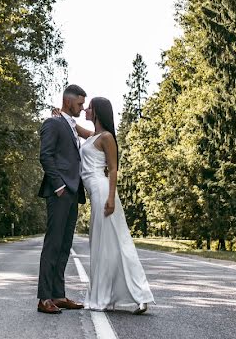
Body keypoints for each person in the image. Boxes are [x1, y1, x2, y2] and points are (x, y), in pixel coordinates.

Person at [69, 96, 154, 314]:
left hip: (103, 192)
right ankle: (106, 295)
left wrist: (111, 198)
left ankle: (140, 295)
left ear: (97, 112)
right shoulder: (93, 136)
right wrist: (64, 116)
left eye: (89, 108)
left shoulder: (106, 137)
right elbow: (78, 129)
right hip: (96, 192)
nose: (86, 110)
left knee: (116, 244)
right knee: (101, 246)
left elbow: (114, 169)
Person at [36, 84, 88, 314]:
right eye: (80, 103)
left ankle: (58, 295)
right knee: (53, 244)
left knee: (65, 245)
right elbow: (45, 156)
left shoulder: (72, 126)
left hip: (73, 193)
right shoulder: (53, 123)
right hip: (60, 192)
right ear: (68, 102)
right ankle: (44, 298)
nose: (82, 107)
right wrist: (58, 186)